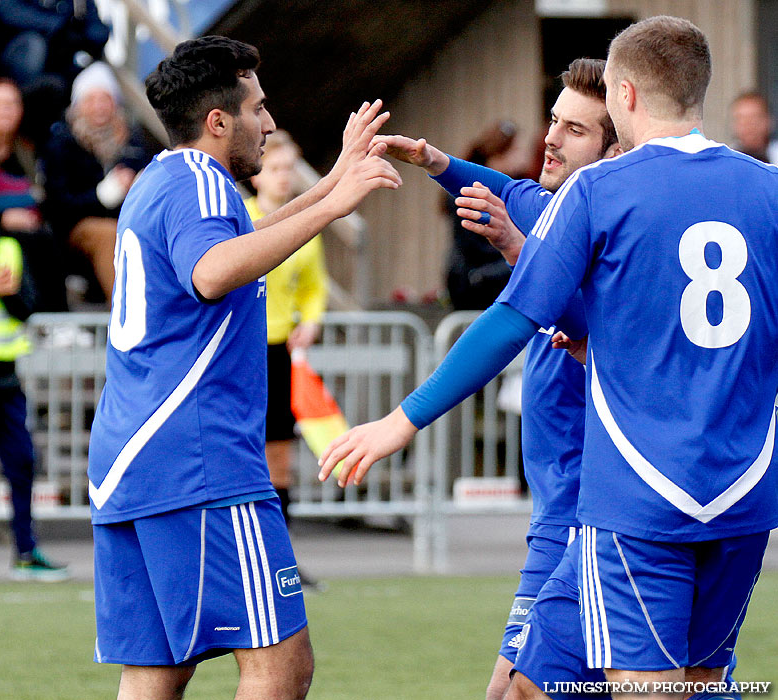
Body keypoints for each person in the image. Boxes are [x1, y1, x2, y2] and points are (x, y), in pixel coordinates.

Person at [321, 15, 778, 700]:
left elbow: (509, 320)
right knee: (698, 685)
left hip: (638, 498)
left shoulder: (600, 190)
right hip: (743, 497)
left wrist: (400, 422)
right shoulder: (766, 190)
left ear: (622, 96)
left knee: (638, 689)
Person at [86, 35, 400, 700]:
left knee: (155, 671)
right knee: (281, 663)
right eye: (259, 107)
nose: (270, 121)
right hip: (198, 463)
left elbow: (236, 247)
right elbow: (212, 272)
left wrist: (335, 184)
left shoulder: (164, 180)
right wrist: (335, 205)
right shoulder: (202, 183)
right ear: (218, 121)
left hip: (133, 460)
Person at [368, 57, 620, 700]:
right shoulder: (553, 208)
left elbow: (584, 329)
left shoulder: (613, 232)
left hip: (592, 512)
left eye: (576, 130)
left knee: (531, 690)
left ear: (617, 146)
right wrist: (435, 162)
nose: (551, 140)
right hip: (558, 510)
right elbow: (505, 191)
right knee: (520, 691)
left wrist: (518, 253)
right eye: (553, 121)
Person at [242, 129, 328, 588]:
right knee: (239, 453)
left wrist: (311, 319)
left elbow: (314, 287)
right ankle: (239, 560)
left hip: (279, 353)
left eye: (289, 169)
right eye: (274, 168)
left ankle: (280, 563)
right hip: (240, 353)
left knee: (281, 461)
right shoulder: (241, 219)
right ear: (256, 174)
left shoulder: (305, 230)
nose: (282, 178)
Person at [0, 191, 68, 581]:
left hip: (5, 381)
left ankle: (26, 552)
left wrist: (11, 294)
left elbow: (29, 304)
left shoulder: (12, 250)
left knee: (21, 464)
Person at [41, 62, 155, 306]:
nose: (99, 106)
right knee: (110, 235)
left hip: (127, 220)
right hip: (78, 229)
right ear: (78, 104)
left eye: (105, 98)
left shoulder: (132, 140)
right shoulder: (61, 142)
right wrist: (100, 196)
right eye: (91, 99)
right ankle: (127, 311)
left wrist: (137, 185)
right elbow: (57, 205)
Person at [0, 78, 67, 311]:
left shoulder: (28, 149)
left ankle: (58, 319)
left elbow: (54, 90)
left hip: (34, 229)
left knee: (48, 238)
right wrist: (1, 217)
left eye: (12, 103)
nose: (6, 110)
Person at [445, 119, 530, 310]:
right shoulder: (471, 193)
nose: (523, 155)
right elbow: (476, 246)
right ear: (498, 155)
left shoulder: (515, 190)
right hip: (475, 288)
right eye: (516, 150)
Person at [729, 91, 778, 165]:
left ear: (768, 121)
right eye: (741, 119)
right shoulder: (724, 161)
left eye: (754, 118)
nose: (748, 125)